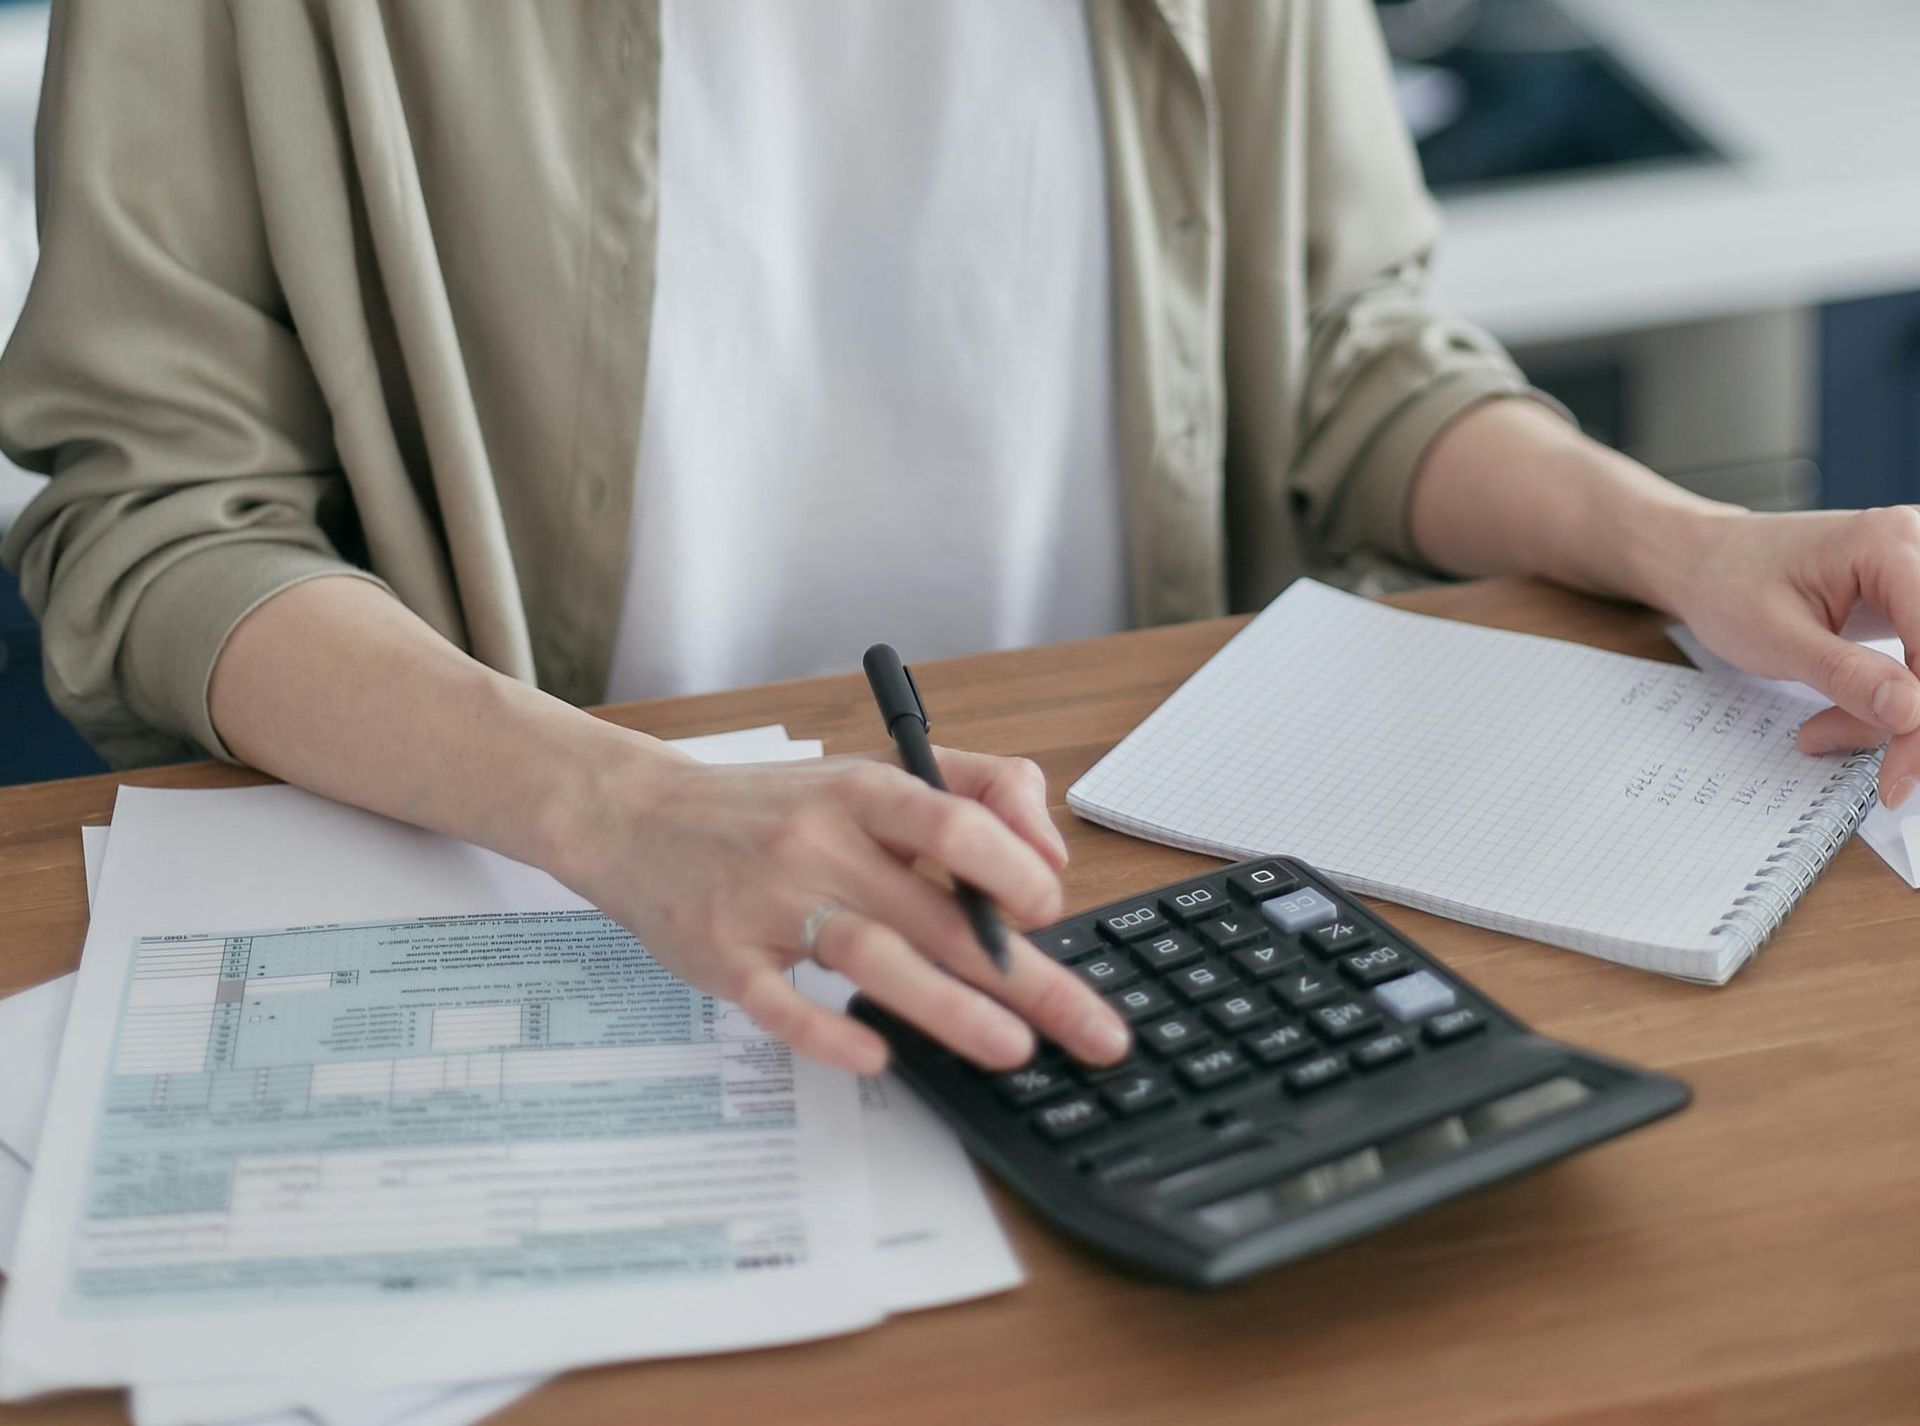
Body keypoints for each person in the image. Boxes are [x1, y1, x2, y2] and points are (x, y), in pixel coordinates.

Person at [3, 1, 1917, 1080]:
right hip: (582, 911)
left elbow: (1350, 359)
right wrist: (621, 807)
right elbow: (161, 516)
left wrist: (1691, 540)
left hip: (1108, 890)